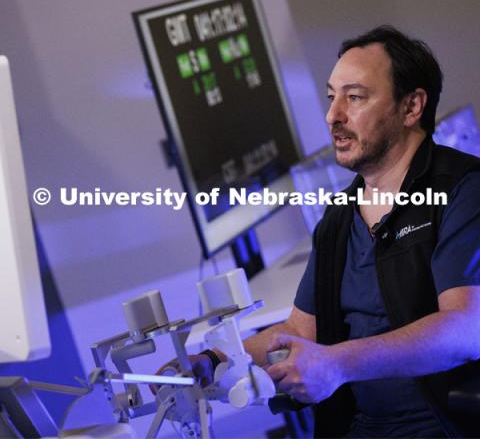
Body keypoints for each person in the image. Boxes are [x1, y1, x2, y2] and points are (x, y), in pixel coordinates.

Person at [160, 26, 480, 438]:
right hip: (365, 427)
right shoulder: (339, 217)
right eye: (332, 98)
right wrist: (212, 360)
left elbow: (467, 329)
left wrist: (339, 362)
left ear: (412, 106)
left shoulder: (463, 190)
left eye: (355, 97)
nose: (334, 116)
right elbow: (298, 332)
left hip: (445, 426)